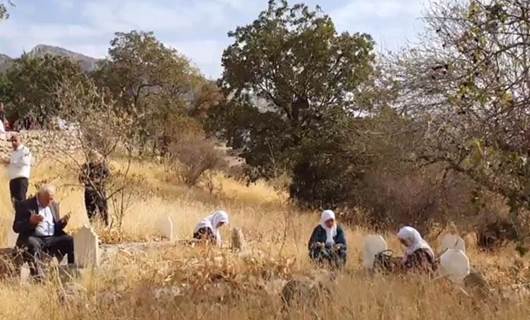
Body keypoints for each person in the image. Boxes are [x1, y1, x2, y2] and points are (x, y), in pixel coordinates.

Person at [12, 184, 74, 278]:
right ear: (39, 196)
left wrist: (62, 223)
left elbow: (55, 228)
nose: (50, 202)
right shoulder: (25, 205)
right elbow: (16, 227)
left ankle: (71, 271)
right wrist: (30, 222)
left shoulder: (53, 205)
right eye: (47, 199)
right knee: (32, 244)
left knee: (70, 240)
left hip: (51, 238)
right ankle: (38, 277)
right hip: (34, 237)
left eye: (51, 199)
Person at [79, 151, 110, 225]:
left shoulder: (103, 167)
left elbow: (108, 177)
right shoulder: (86, 167)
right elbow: (80, 179)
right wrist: (82, 172)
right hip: (89, 192)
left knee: (103, 212)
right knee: (90, 213)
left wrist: (97, 182)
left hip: (100, 192)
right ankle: (93, 228)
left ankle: (105, 228)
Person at [3, 134, 32, 205]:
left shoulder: (25, 150)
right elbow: (14, 164)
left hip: (21, 180)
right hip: (13, 180)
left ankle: (24, 216)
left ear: (21, 141)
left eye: (15, 140)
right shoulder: (13, 153)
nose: (13, 143)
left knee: (21, 201)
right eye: (12, 141)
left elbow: (25, 162)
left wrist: (10, 161)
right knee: (14, 202)